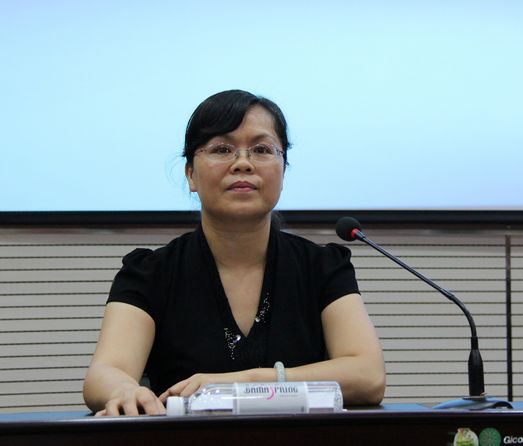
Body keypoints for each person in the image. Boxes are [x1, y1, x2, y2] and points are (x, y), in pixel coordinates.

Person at [83, 90, 386, 416]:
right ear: (190, 174)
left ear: (283, 170)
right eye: (222, 149)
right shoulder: (150, 272)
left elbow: (368, 376)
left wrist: (247, 381)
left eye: (261, 149)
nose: (243, 163)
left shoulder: (322, 267)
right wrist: (124, 390)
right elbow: (105, 373)